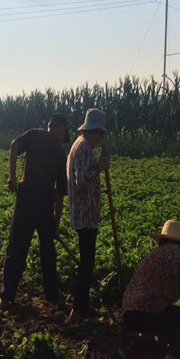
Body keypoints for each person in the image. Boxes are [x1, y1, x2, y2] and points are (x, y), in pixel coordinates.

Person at [0, 112, 70, 310]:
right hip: (45, 203)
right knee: (48, 249)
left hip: (26, 198)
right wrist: (55, 225)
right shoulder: (61, 154)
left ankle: (7, 296)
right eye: (64, 132)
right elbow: (61, 195)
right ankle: (52, 297)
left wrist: (12, 177)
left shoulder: (35, 135)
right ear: (58, 128)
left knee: (17, 246)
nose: (64, 137)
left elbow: (13, 146)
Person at [122, 219, 180, 359]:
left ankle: (146, 342)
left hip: (129, 314)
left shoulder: (154, 254)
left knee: (159, 312)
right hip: (150, 313)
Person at [66, 108, 110, 323]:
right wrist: (99, 168)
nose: (99, 140)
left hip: (86, 215)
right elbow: (81, 181)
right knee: (86, 263)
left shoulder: (79, 145)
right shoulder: (83, 147)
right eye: (100, 135)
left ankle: (82, 306)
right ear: (94, 131)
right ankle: (77, 310)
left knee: (87, 262)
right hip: (84, 216)